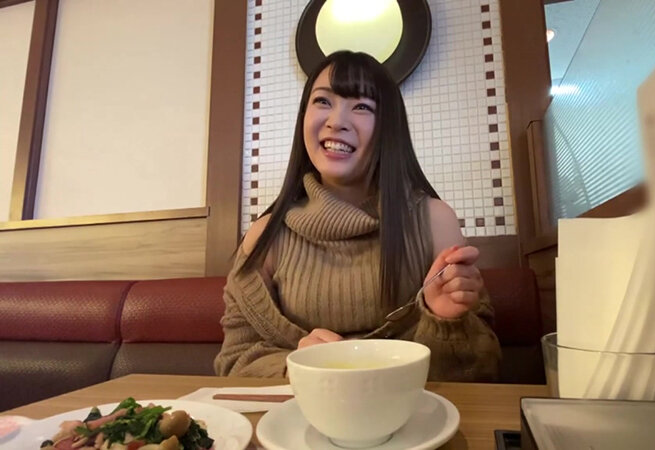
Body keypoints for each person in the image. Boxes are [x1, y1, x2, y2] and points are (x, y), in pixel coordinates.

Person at [214, 51, 501, 382]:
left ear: (388, 126)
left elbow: (484, 367)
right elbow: (234, 360)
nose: (337, 121)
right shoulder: (266, 234)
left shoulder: (434, 221)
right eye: (323, 101)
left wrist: (446, 322)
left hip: (407, 411)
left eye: (362, 106)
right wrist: (296, 367)